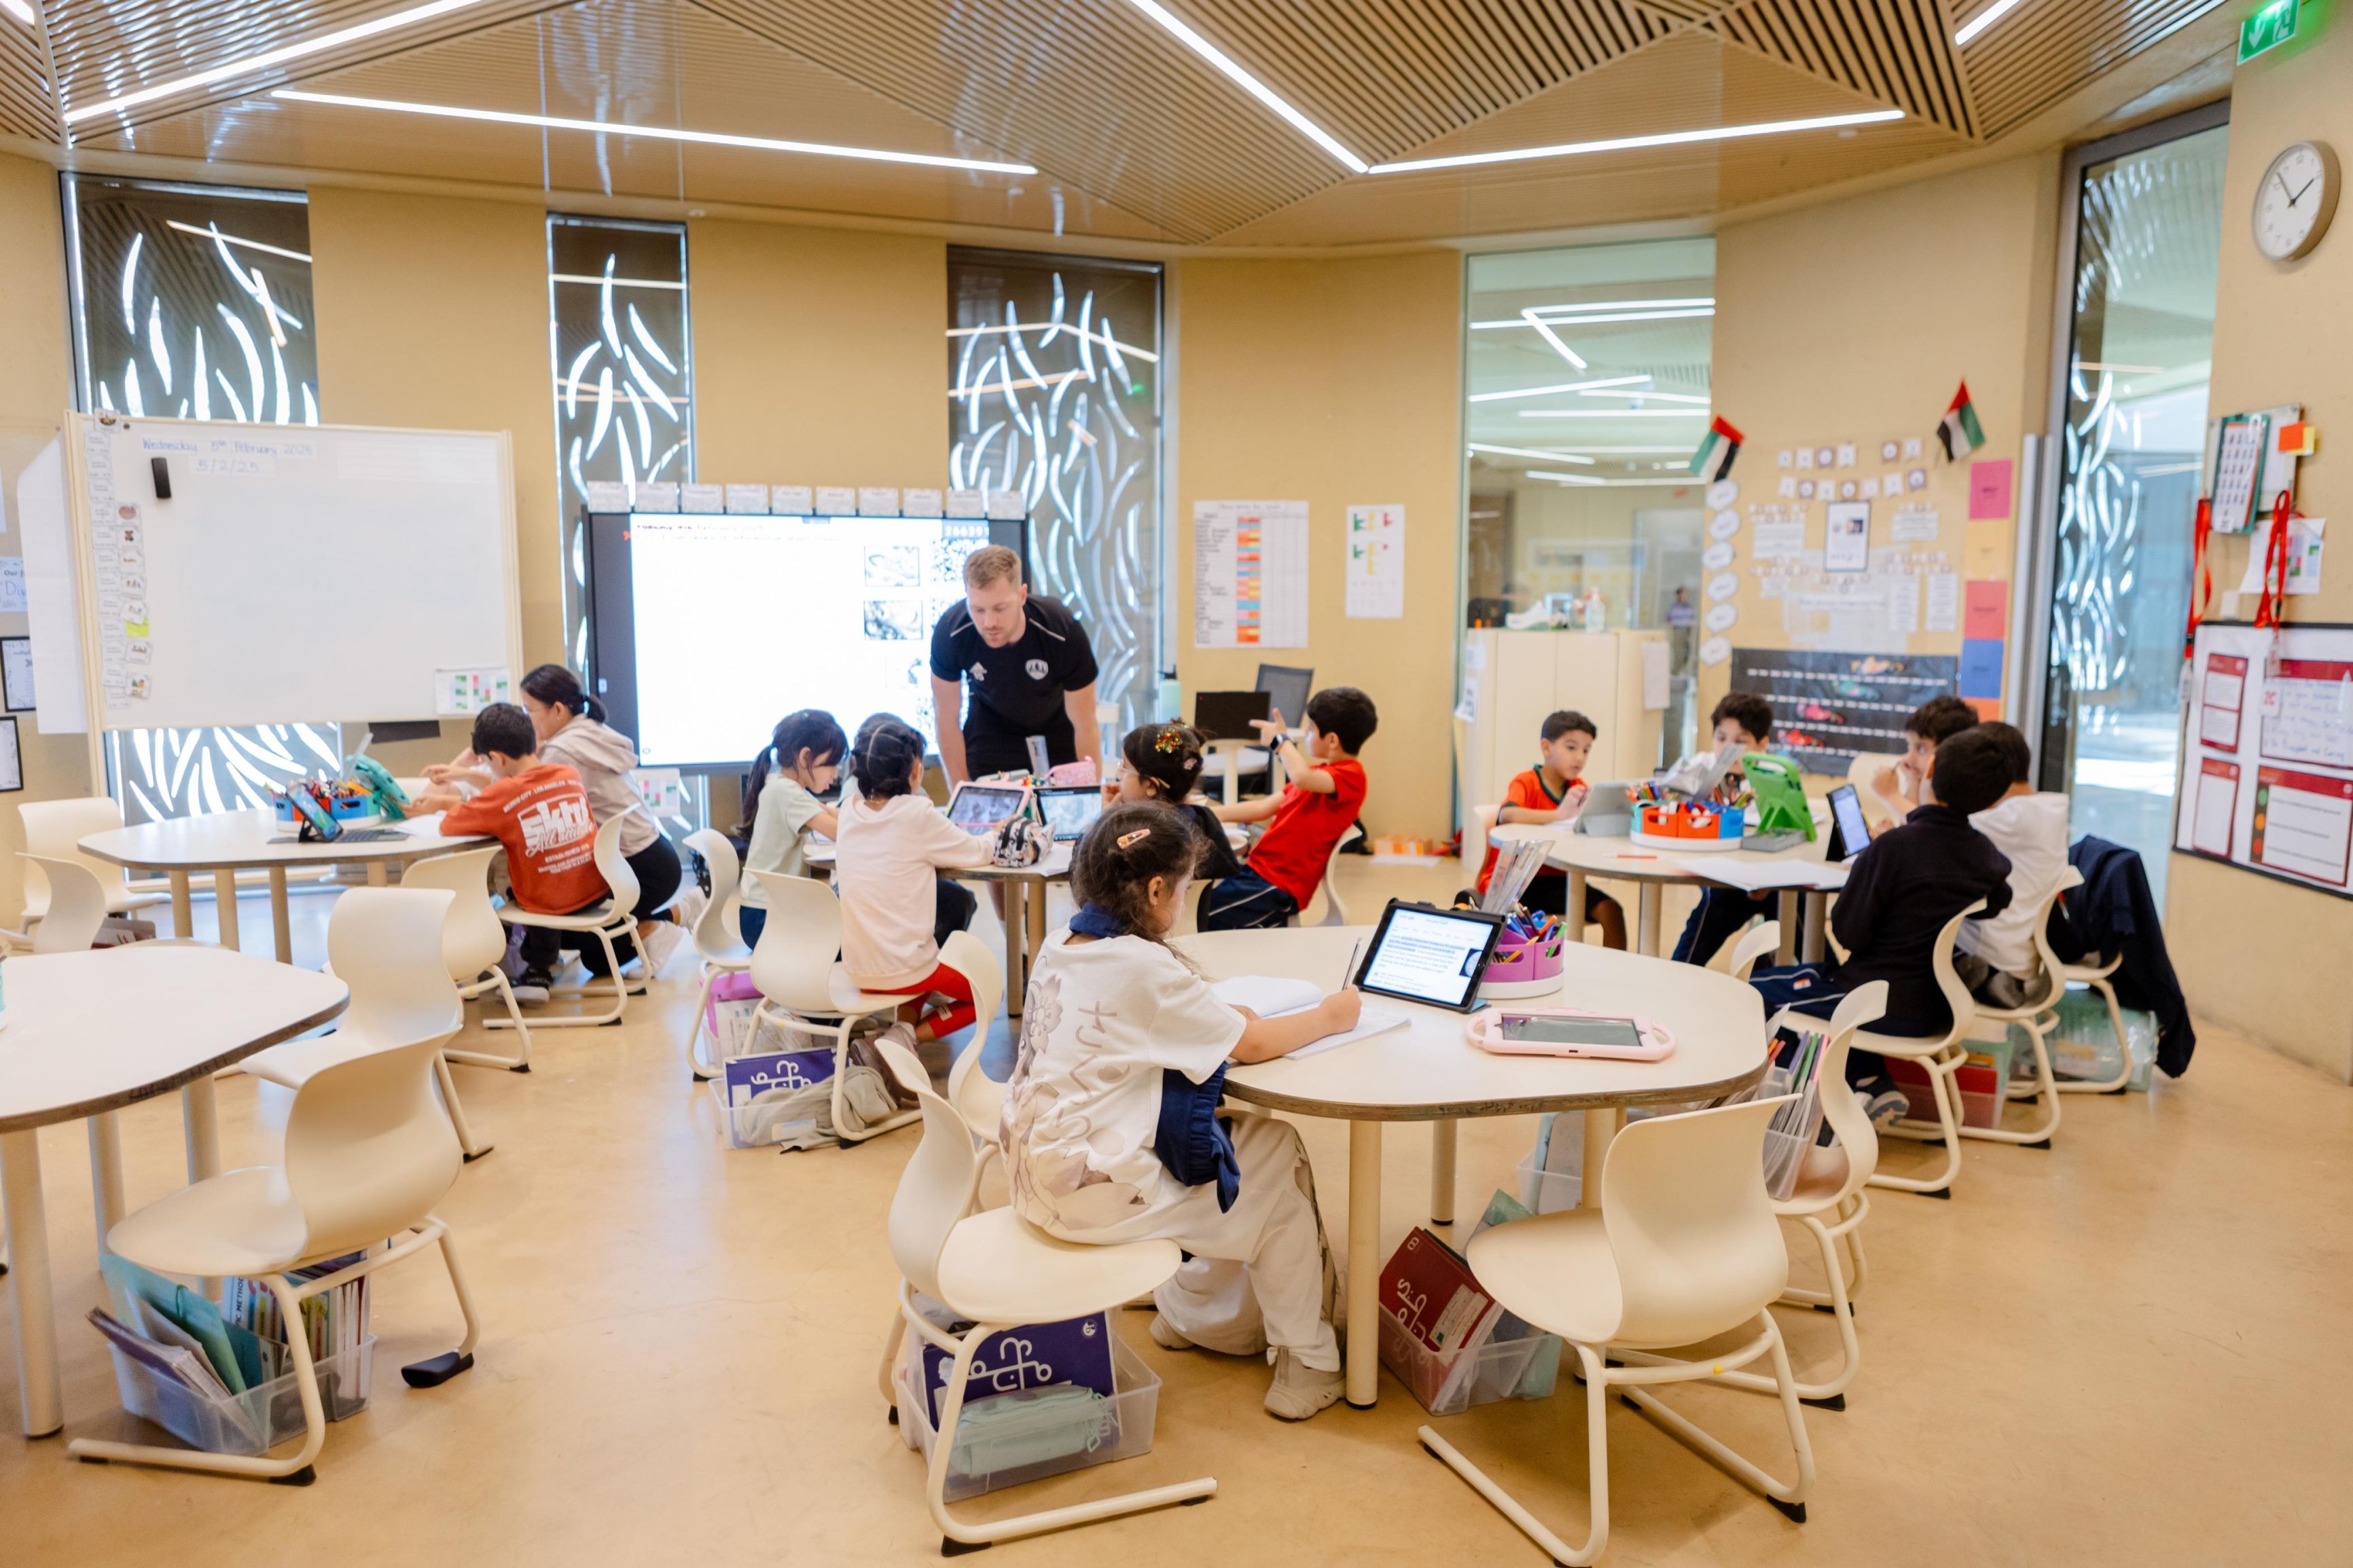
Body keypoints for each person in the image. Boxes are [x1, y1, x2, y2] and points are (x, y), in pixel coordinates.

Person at [999, 802, 1359, 1420]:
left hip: (1032, 1177)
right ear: (1157, 889)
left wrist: (1216, 1019)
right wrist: (1331, 1015)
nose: (1185, 901)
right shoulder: (1143, 964)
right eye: (1185, 888)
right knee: (1274, 1154)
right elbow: (1252, 1044)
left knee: (1228, 1145)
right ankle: (1308, 1358)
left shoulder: (1062, 943)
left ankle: (1191, 1315)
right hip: (1090, 1197)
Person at [1746, 726, 2017, 1123]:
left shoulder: (1893, 848)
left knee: (1749, 994)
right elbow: (1996, 901)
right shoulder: (1985, 856)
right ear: (1992, 801)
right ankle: (1869, 1082)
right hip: (1938, 1006)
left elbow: (1848, 933)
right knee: (1813, 983)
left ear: (1931, 769)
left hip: (1871, 1001)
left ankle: (1813, 1108)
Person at [426, 663, 696, 977]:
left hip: (635, 866)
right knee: (595, 958)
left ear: (557, 710)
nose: (527, 719)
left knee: (568, 937)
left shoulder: (560, 753)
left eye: (529, 710)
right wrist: (465, 773)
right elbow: (513, 788)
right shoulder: (589, 731)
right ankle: (674, 916)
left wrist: (455, 783)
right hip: (655, 856)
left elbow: (511, 795)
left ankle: (672, 918)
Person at [412, 704, 615, 1003]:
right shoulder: (568, 773)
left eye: (487, 762)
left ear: (497, 758)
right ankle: (536, 965)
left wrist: (440, 804)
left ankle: (505, 964)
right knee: (540, 864)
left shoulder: (503, 793)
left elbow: (449, 825)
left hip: (550, 903)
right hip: (595, 888)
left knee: (497, 873)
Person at [831, 715, 993, 1043]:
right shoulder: (917, 813)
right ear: (916, 770)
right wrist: (997, 833)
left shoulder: (849, 810)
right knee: (986, 995)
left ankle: (902, 1031)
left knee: (921, 959)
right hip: (906, 969)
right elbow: (977, 853)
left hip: (858, 968)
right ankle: (901, 1041)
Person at [1198, 687, 1378, 931]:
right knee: (1198, 900)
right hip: (1257, 871)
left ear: (1332, 740)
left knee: (1202, 917)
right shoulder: (1317, 775)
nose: (1305, 732)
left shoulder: (1351, 776)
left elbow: (1301, 777)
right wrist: (1204, 814)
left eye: (1311, 728)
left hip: (1277, 886)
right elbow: (1262, 808)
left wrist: (1280, 741)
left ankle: (1272, 927)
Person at [927, 545, 1102, 785]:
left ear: (1022, 595)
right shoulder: (952, 632)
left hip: (1055, 728)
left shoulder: (1061, 630)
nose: (989, 622)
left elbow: (1085, 723)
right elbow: (946, 719)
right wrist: (962, 794)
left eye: (1000, 608)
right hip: (990, 730)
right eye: (978, 609)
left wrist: (1091, 793)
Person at [1471, 710, 1626, 949]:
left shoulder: (1578, 787)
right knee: (1525, 924)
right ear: (1546, 747)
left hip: (1562, 881)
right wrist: (1558, 815)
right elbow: (1507, 813)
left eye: (1586, 750)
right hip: (1520, 881)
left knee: (1611, 910)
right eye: (1571, 747)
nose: (1580, 758)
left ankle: (1615, 970)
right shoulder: (1527, 782)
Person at [1952, 721, 2070, 1009]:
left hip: (1995, 960)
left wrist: (1893, 794)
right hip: (2019, 958)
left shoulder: (2015, 817)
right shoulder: (2043, 809)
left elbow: (1939, 828)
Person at [1670, 691, 1778, 966]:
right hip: (1721, 880)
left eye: (1740, 742)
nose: (1729, 749)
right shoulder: (1700, 767)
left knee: (1792, 904)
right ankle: (1677, 973)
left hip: (1768, 880)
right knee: (1714, 905)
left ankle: (1825, 977)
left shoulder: (1774, 774)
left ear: (1762, 744)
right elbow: (1670, 804)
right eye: (1721, 738)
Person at [736, 708, 846, 951]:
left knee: (845, 932)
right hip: (767, 919)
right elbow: (841, 831)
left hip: (762, 914)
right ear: (805, 757)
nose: (835, 773)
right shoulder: (787, 793)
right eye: (831, 764)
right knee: (851, 943)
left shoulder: (783, 786)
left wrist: (861, 817)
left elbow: (832, 815)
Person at [1107, 721, 1243, 883]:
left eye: (1124, 767)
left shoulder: (1139, 836)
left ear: (1150, 786)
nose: (1119, 774)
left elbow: (1091, 872)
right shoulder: (1199, 816)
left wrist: (1106, 818)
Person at [1871, 693, 1980, 824]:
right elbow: (1914, 828)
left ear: (1951, 752)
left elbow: (1928, 827)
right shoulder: (1925, 785)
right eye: (1909, 746)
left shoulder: (1962, 796)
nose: (1908, 758)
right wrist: (1913, 780)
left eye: (1921, 749)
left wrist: (1890, 795)